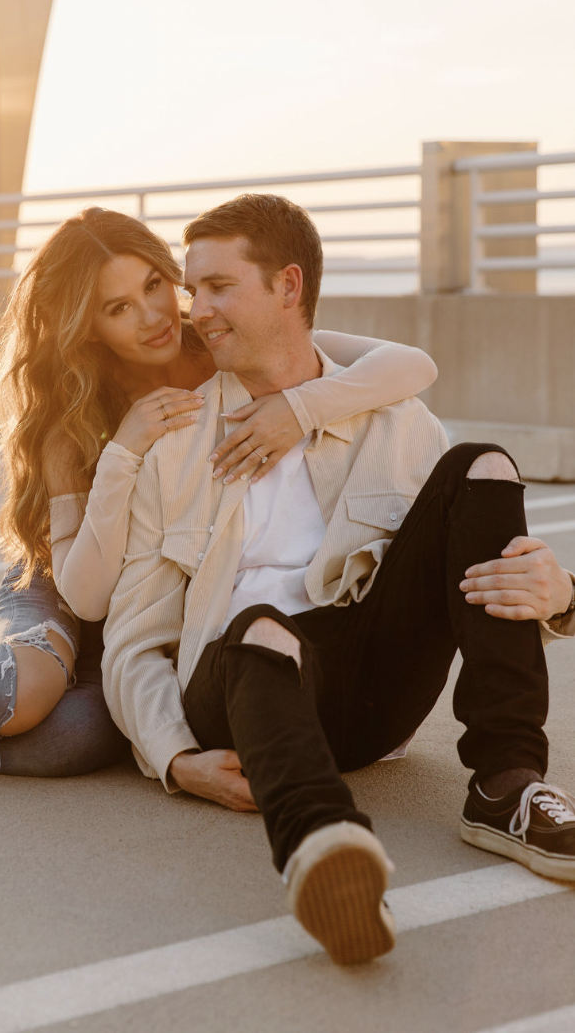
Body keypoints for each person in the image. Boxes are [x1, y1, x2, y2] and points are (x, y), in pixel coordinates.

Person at [0, 208, 440, 775]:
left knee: (79, 739)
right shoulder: (71, 418)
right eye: (118, 308)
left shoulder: (220, 343)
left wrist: (301, 409)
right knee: (27, 695)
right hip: (61, 582)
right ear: (87, 326)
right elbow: (85, 593)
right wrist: (124, 451)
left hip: (149, 608)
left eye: (154, 284)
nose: (153, 315)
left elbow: (410, 365)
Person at [101, 193, 575, 966]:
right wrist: (175, 758)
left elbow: (469, 559)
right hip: (241, 688)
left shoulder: (397, 425)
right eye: (194, 290)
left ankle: (507, 783)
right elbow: (131, 639)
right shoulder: (176, 448)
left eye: (218, 287)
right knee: (259, 623)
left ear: (288, 288)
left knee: (482, 464)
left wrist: (563, 594)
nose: (196, 312)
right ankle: (325, 845)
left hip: (366, 691)